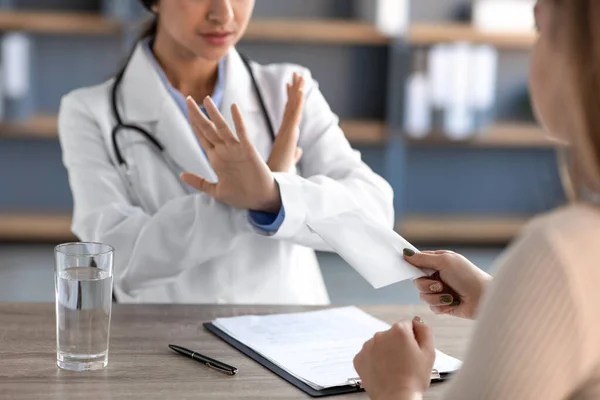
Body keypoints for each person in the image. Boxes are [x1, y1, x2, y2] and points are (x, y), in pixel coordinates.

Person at [57, 0, 393, 304]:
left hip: (291, 334)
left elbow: (375, 217)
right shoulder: (89, 112)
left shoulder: (288, 90)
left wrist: (275, 195)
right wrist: (250, 202)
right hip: (166, 344)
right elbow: (119, 260)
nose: (224, 14)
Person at [352, 0, 600, 399]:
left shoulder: (563, 251)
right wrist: (499, 299)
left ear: (583, 57)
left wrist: (397, 387)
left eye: (540, 30)